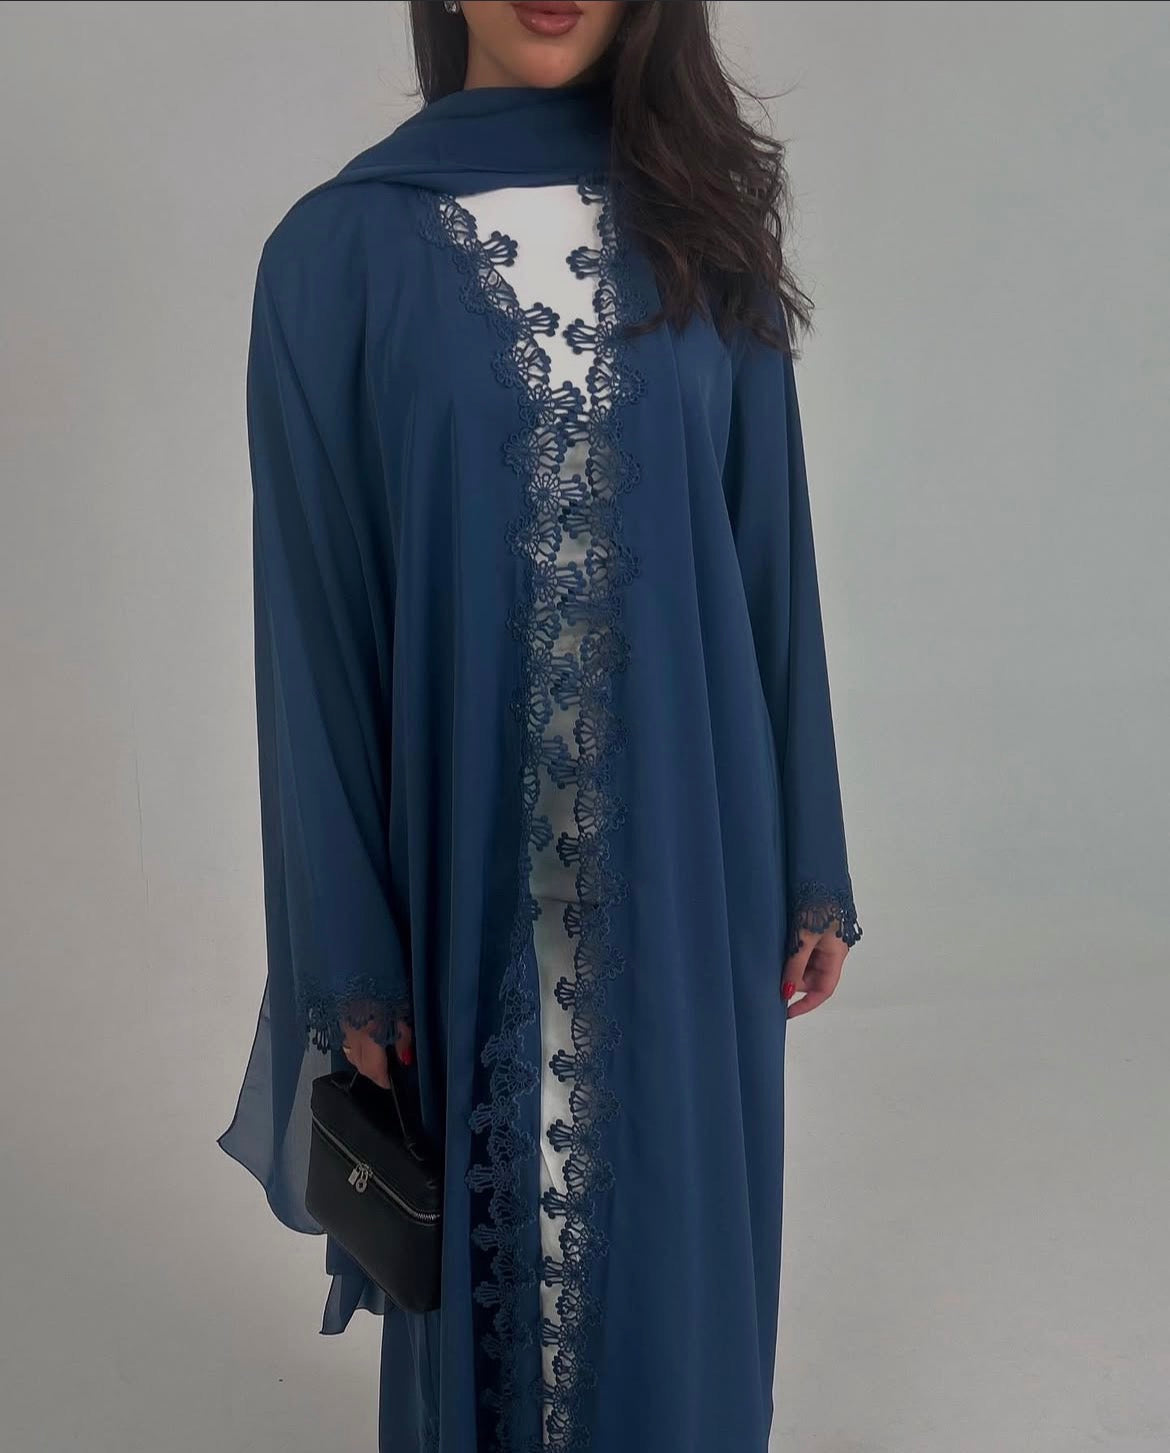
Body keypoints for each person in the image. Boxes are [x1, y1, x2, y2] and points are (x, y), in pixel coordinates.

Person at [216, 3, 863, 1450]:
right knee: (498, 1282)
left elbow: (771, 557)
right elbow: (315, 629)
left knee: (679, 1274)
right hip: (469, 886)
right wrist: (350, 955)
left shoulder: (702, 228)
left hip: (691, 870)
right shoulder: (336, 252)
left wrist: (810, 859)